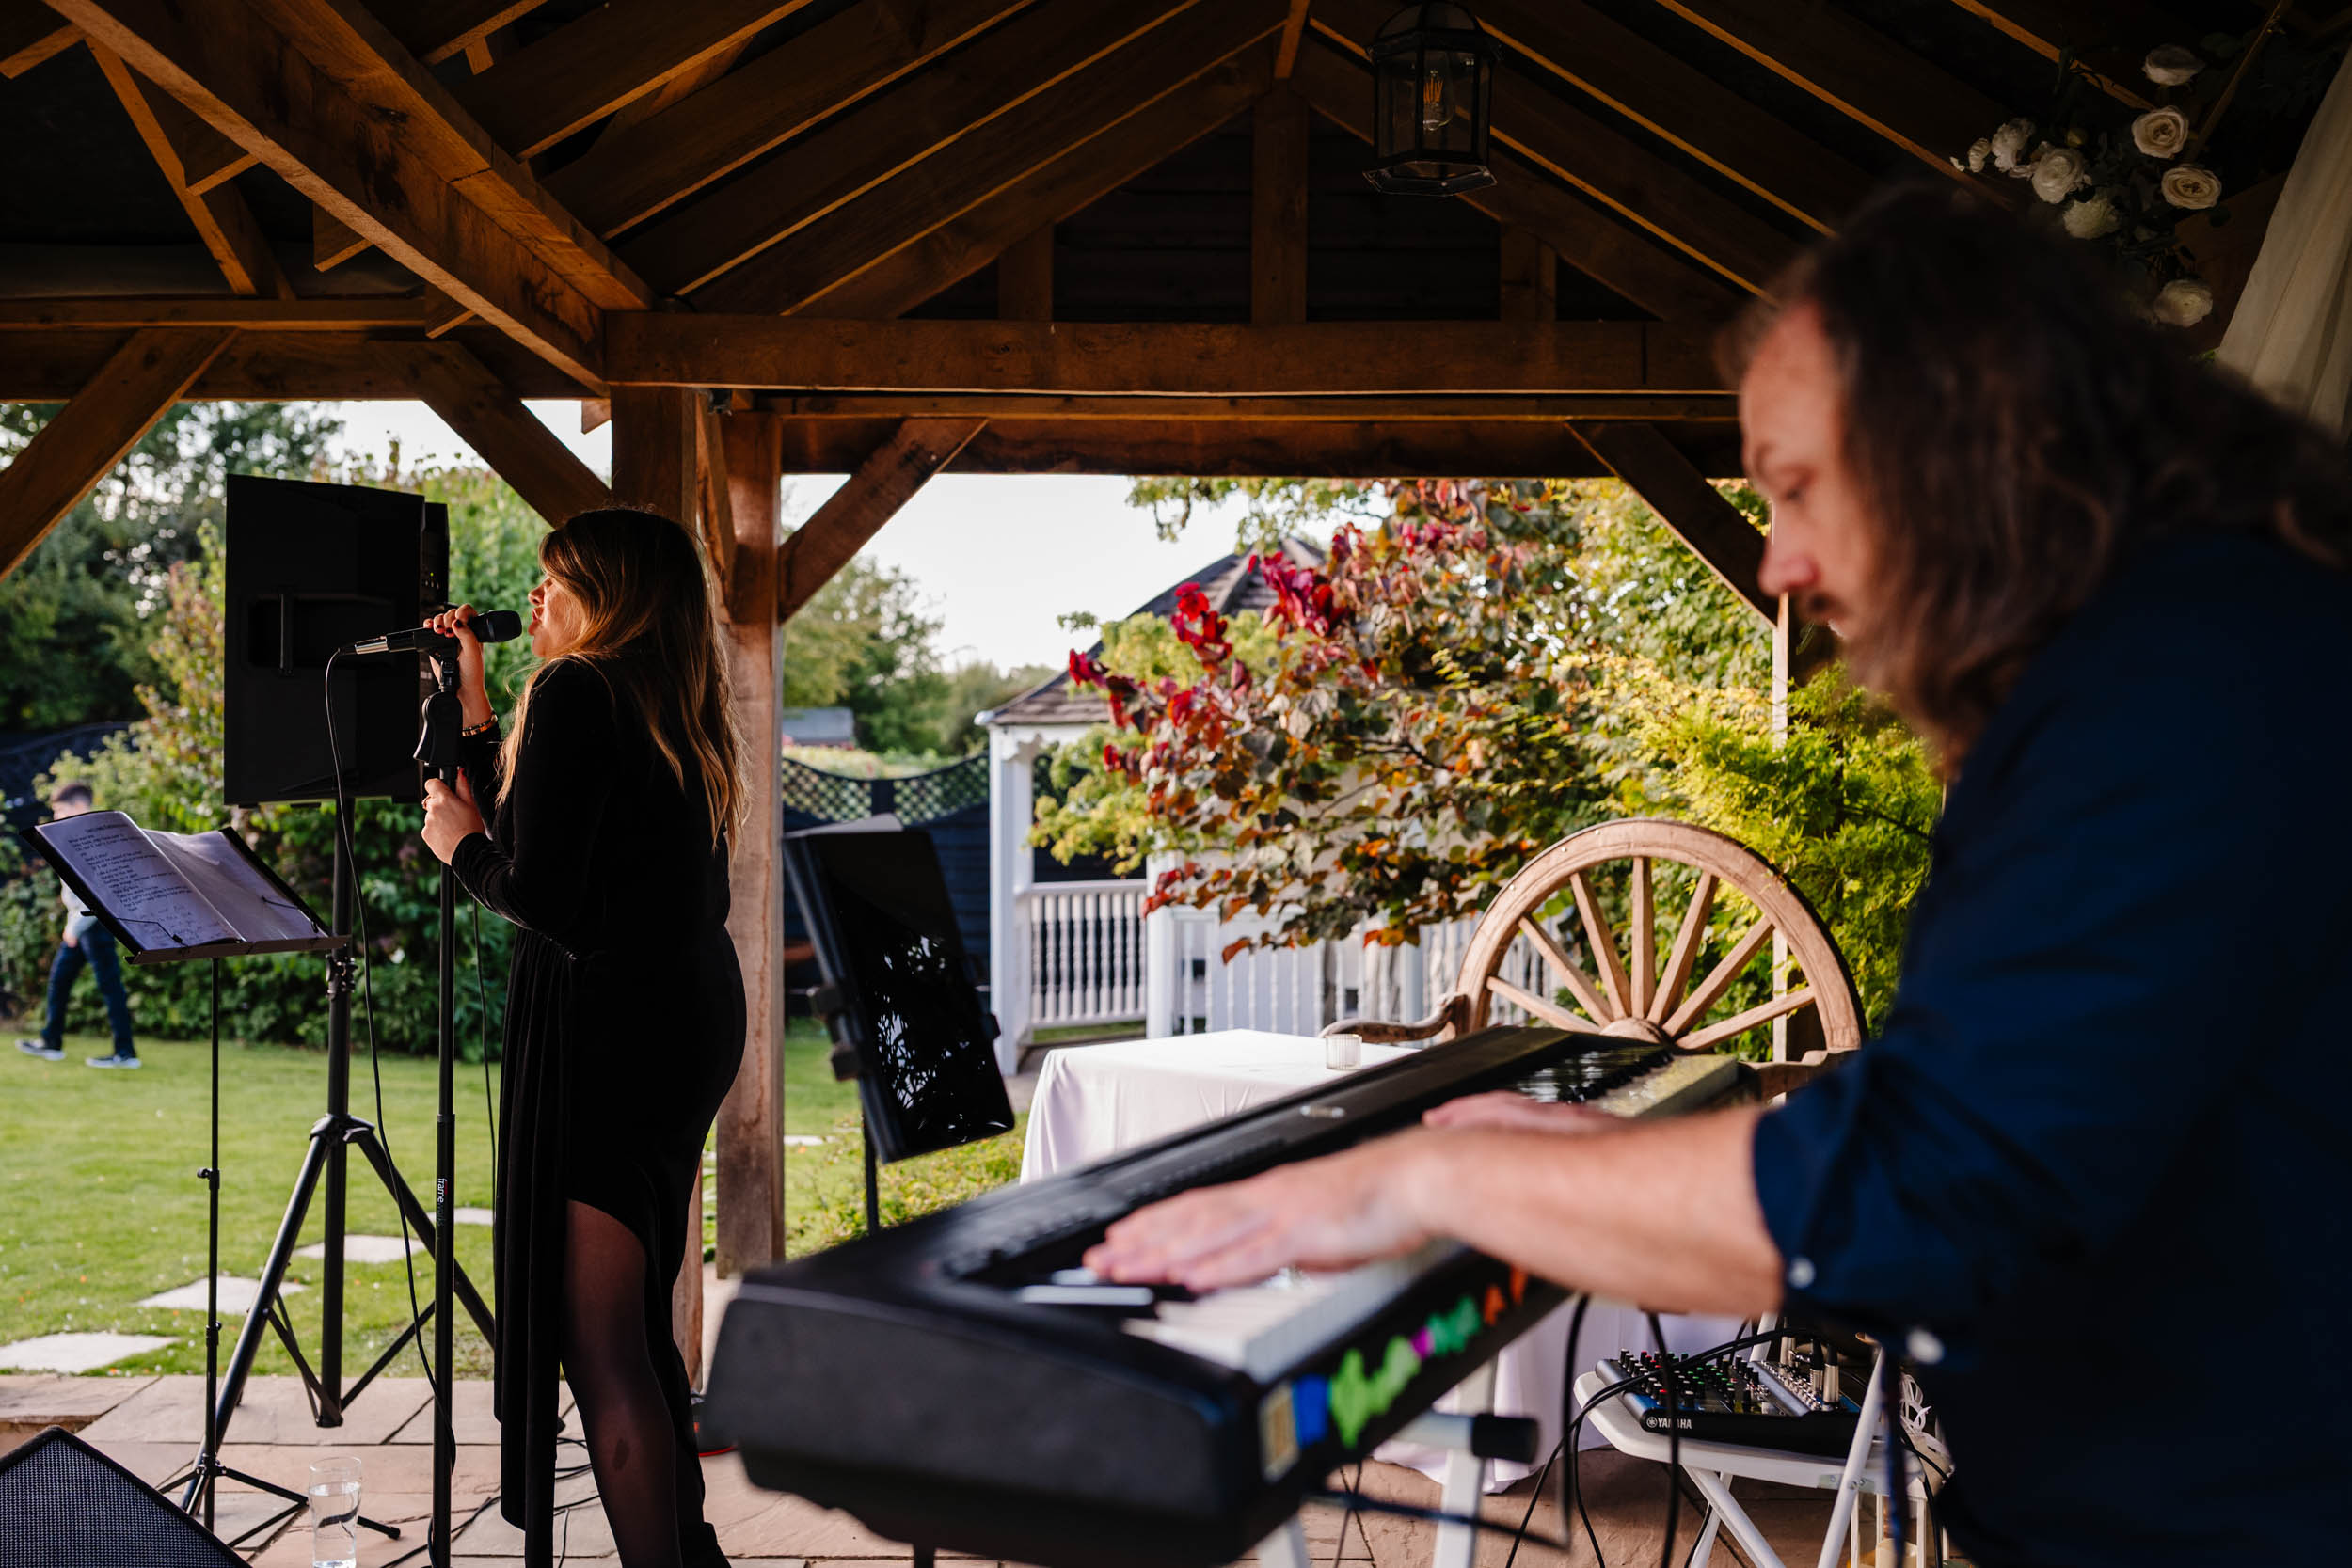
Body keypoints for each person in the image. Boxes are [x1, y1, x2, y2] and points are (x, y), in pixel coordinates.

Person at [1086, 183, 2352, 1565]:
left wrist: (1409, 1187)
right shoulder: (2177, 661)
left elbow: (1930, 1189)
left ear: (1970, 438)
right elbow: (2038, 1107)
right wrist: (1642, 1162)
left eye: (1799, 485)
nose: (1778, 559)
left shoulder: (2179, 683)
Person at [418, 508, 744, 1568]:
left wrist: (460, 852)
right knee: (636, 1328)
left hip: (609, 1033)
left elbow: (537, 887)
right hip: (680, 1018)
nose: (539, 595)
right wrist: (473, 703)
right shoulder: (664, 702)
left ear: (610, 592)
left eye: (558, 578)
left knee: (603, 1346)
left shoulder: (575, 690)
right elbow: (545, 838)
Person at [15, 780, 139, 1068]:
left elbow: (92, 894)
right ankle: (51, 1042)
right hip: (82, 923)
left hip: (93, 924)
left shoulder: (91, 839)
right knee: (60, 982)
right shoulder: (76, 836)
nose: (56, 817)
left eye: (60, 810)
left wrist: (73, 928)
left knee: (109, 988)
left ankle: (125, 1054)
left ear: (80, 807)